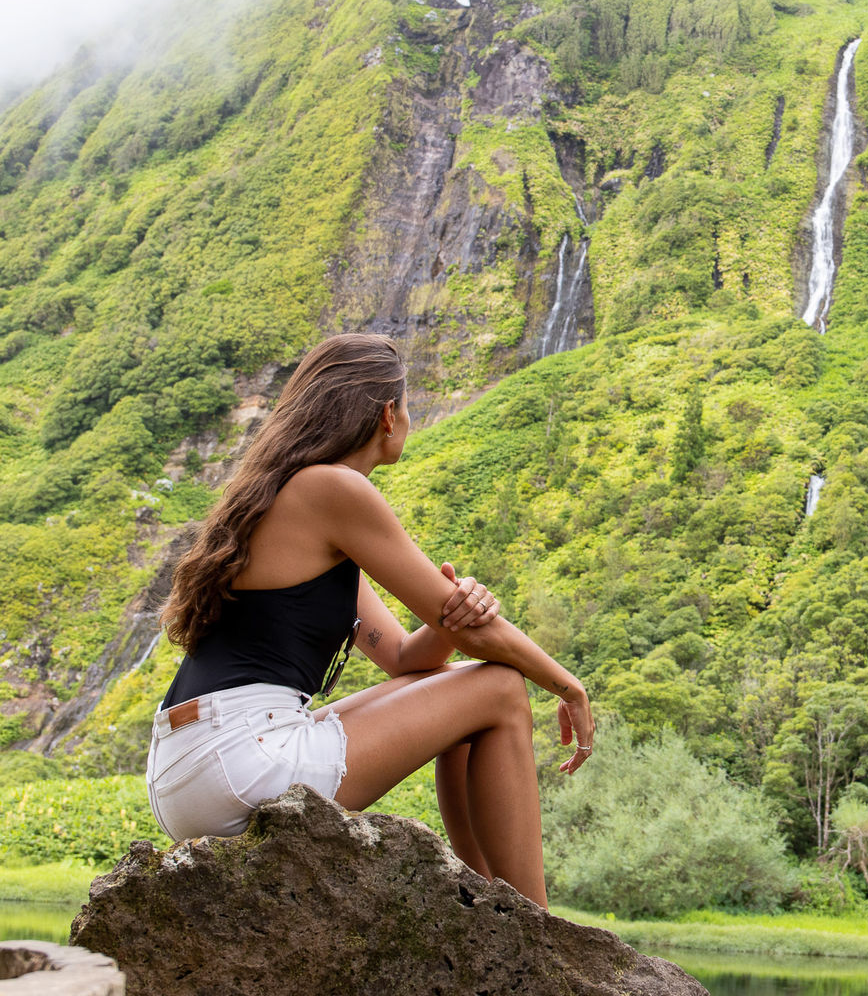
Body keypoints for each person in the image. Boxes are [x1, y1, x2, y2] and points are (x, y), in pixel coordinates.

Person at [146, 332, 593, 908]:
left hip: (193, 763)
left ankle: (492, 910)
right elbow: (478, 644)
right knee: (502, 689)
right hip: (238, 756)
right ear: (387, 414)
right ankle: (534, 929)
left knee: (460, 690)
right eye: (408, 406)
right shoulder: (332, 488)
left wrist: (453, 611)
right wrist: (567, 686)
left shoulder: (288, 497)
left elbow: (404, 659)